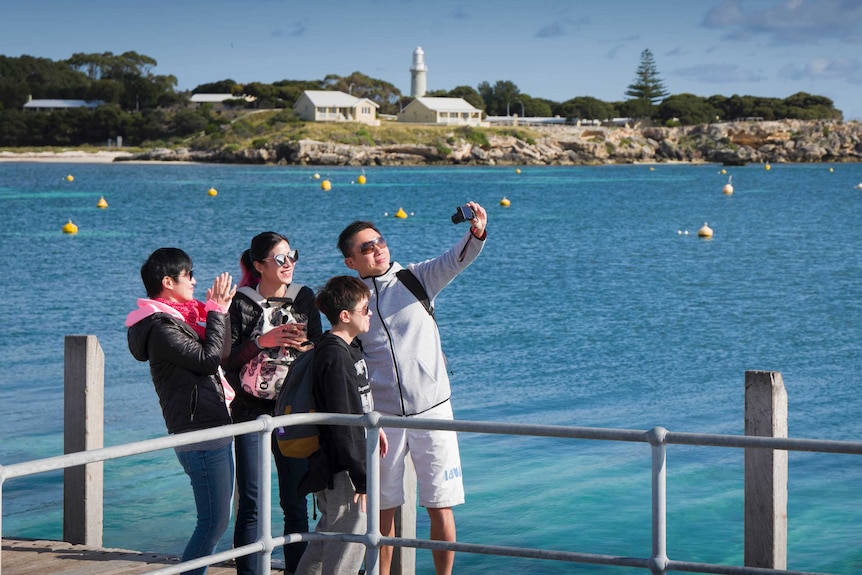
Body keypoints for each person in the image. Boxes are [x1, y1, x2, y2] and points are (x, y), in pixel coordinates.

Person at [337, 201, 488, 575]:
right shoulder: (354, 302)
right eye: (366, 247)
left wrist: (477, 230)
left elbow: (457, 258)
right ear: (350, 261)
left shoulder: (415, 278)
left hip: (434, 410)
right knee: (383, 509)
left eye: (379, 241)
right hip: (384, 420)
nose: (377, 249)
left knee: (440, 504)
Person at [125, 247, 236, 575]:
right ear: (168, 281)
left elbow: (221, 352)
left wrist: (221, 312)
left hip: (213, 425)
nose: (194, 280)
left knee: (217, 521)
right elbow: (207, 361)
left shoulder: (181, 319)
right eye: (188, 275)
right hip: (198, 431)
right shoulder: (161, 328)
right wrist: (215, 313)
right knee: (212, 523)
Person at [222, 231, 323, 575]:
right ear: (258, 265)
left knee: (295, 501)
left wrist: (303, 345)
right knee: (251, 501)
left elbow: (321, 349)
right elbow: (227, 360)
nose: (289, 264)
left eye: (292, 256)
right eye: (279, 259)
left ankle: (296, 571)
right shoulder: (241, 301)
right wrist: (262, 341)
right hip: (250, 410)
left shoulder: (304, 297)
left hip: (293, 410)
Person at [295, 275, 389, 575]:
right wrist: (361, 478)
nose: (370, 313)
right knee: (347, 549)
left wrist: (376, 428)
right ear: (345, 316)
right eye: (365, 308)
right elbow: (342, 423)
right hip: (344, 470)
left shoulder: (347, 347)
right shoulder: (334, 355)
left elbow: (358, 403)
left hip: (345, 463)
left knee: (327, 542)